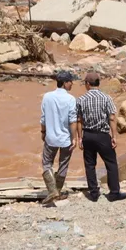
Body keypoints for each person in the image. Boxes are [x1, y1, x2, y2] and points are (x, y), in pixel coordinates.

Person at [76, 72, 126, 203]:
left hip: (88, 134)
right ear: (98, 83)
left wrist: (80, 137)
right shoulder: (106, 98)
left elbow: (79, 120)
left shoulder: (81, 100)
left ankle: (93, 193)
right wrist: (114, 136)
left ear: (88, 84)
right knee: (111, 163)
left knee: (89, 164)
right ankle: (114, 193)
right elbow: (112, 118)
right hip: (103, 135)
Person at [40, 70, 78, 204]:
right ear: (64, 83)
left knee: (46, 164)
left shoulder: (47, 97)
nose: (72, 83)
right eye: (70, 81)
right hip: (66, 138)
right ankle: (56, 191)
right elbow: (72, 120)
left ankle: (52, 191)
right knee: (63, 165)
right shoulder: (71, 99)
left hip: (50, 137)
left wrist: (43, 132)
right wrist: (75, 138)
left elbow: (43, 118)